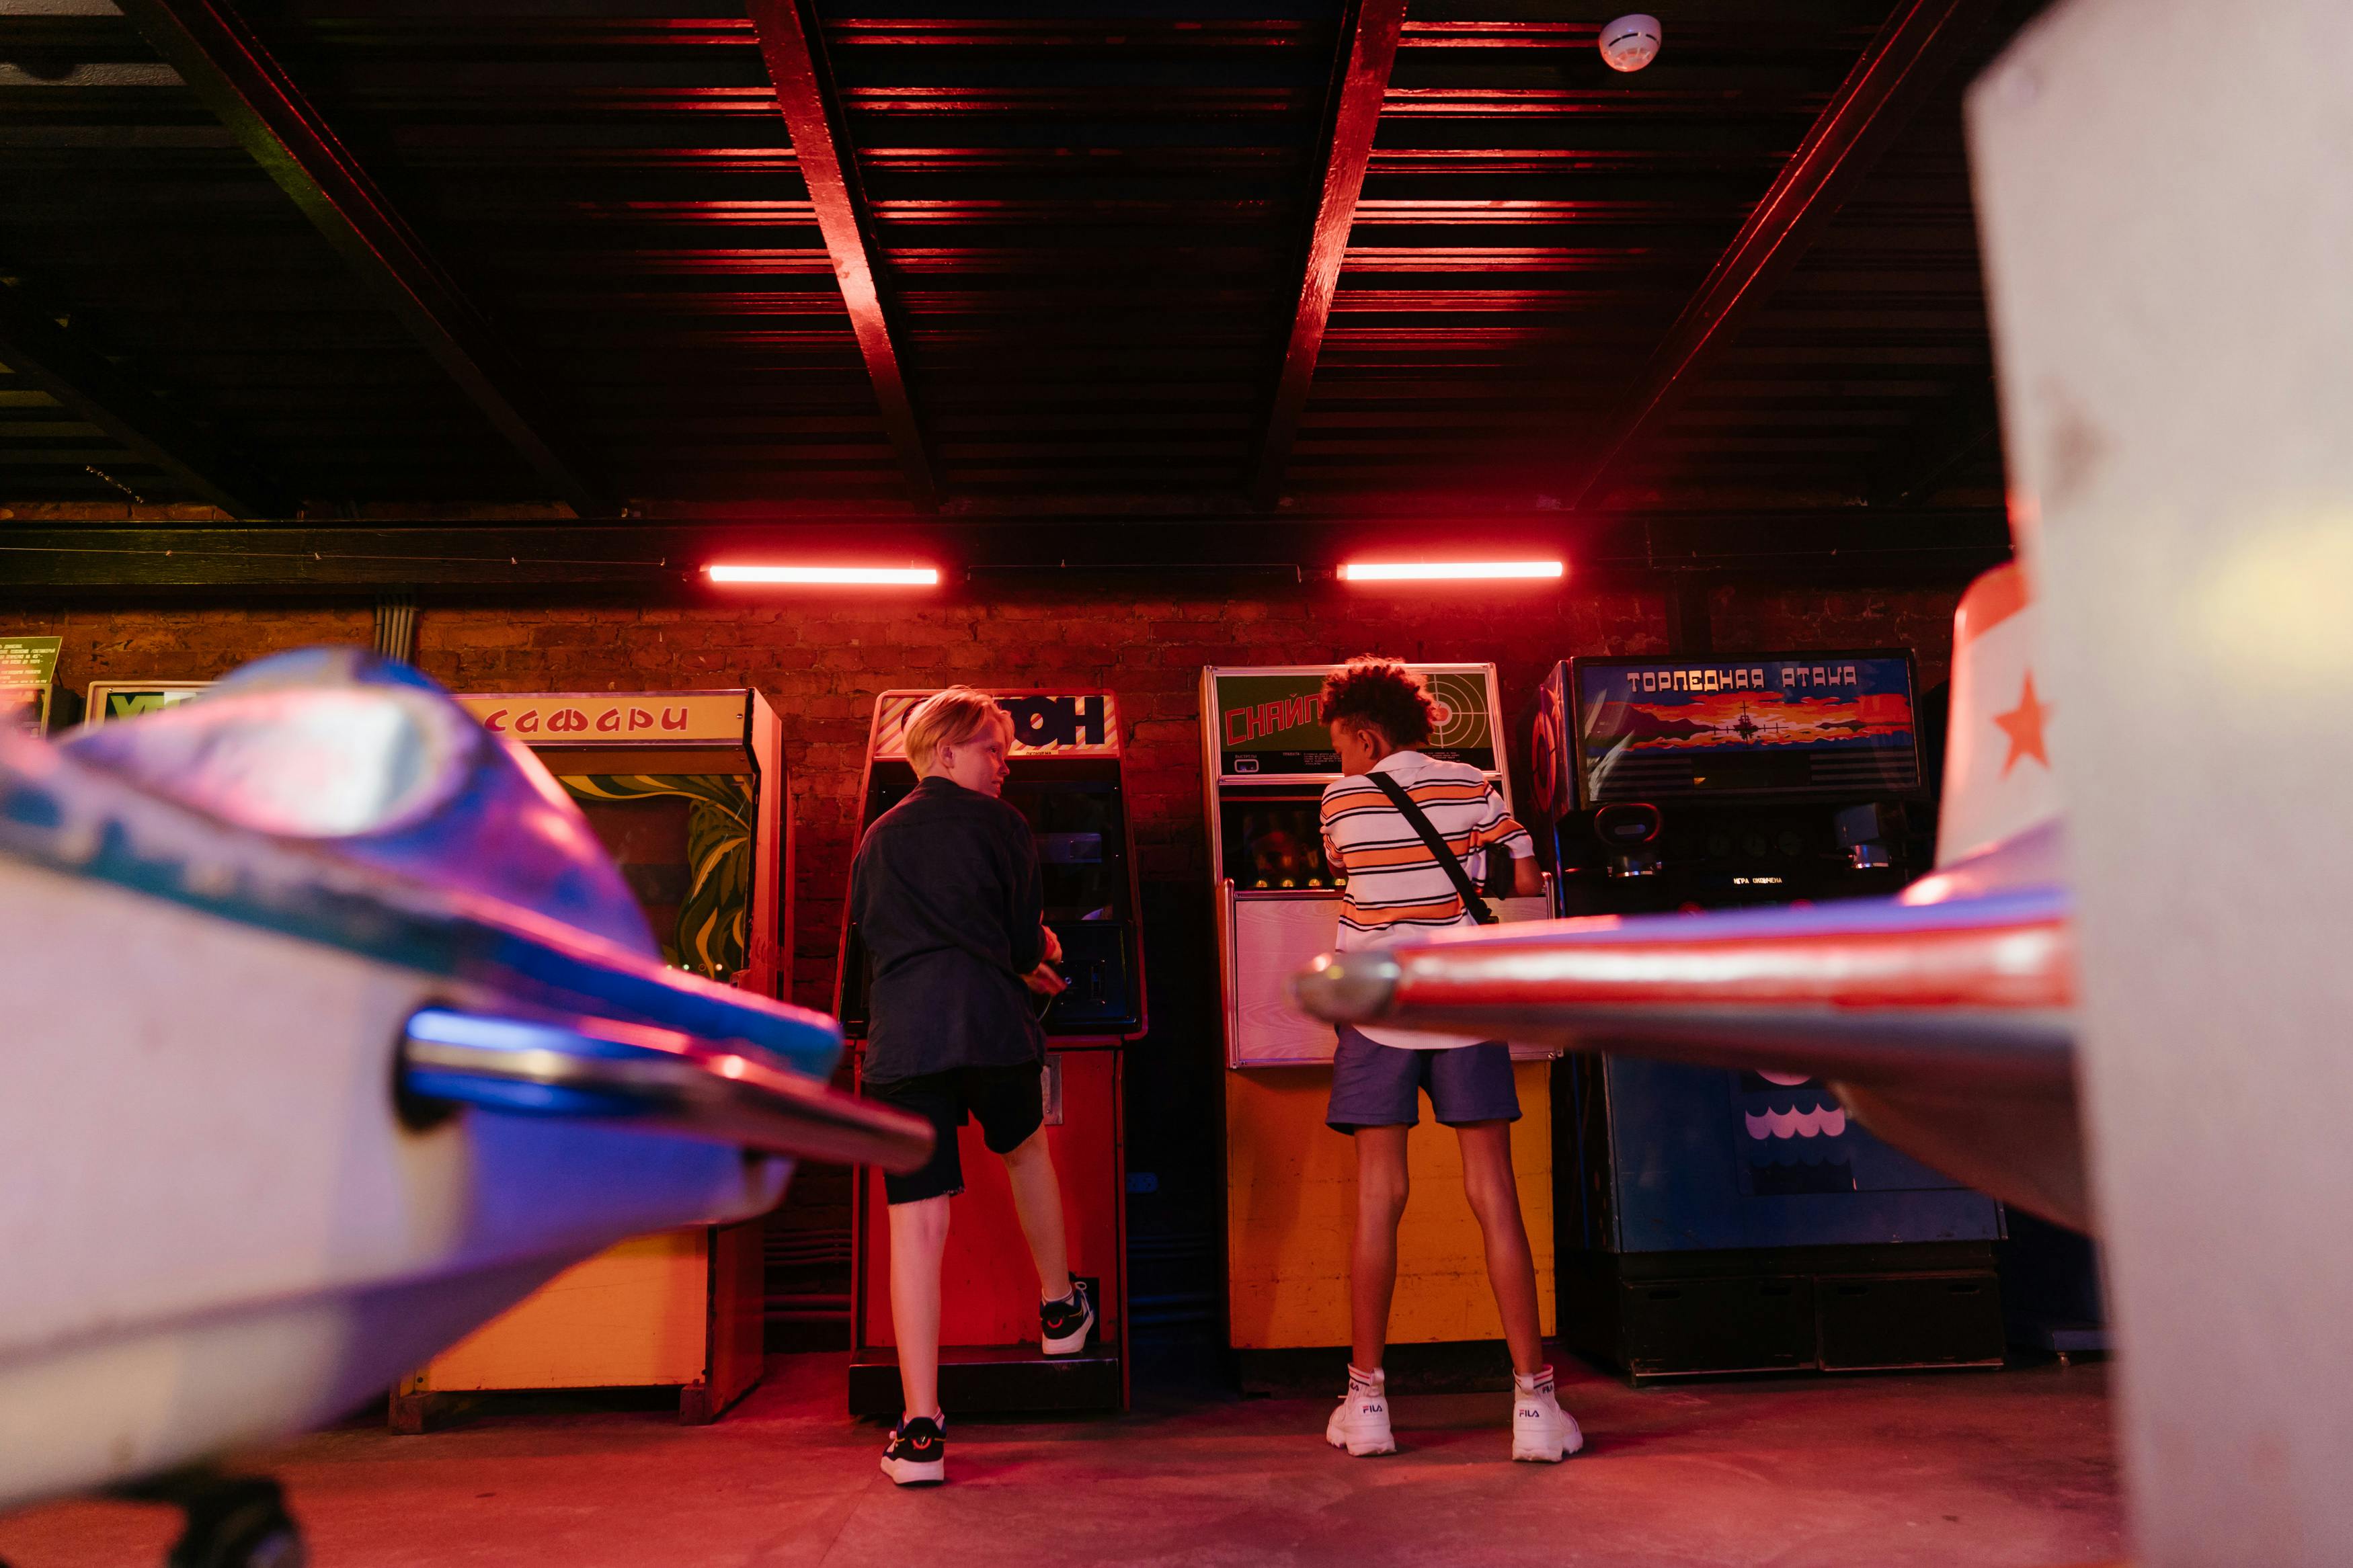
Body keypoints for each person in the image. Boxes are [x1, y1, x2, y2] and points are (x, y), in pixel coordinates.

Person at [1314, 656, 1583, 1464]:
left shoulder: (1338, 799)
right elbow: (1525, 869)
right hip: (1462, 998)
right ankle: (1533, 1401)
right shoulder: (1472, 783)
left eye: (1339, 745)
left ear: (1365, 735)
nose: (1338, 762)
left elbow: (1345, 874)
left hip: (1374, 1000)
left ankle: (1366, 1400)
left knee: (1377, 1198)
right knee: (1492, 1193)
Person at [850, 686, 1095, 1487]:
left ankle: (920, 1429)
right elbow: (1025, 941)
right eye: (992, 748)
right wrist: (1044, 946)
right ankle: (1059, 1310)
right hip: (991, 1028)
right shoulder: (1001, 826)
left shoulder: (876, 837)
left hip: (904, 1040)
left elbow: (870, 946)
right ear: (945, 751)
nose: (1003, 766)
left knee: (916, 1226)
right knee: (1024, 1151)